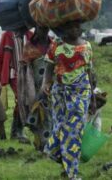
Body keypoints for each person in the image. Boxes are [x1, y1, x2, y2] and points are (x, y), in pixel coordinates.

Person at [42, 20, 93, 180]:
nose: (74, 29)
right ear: (63, 29)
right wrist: (45, 82)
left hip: (81, 91)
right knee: (60, 127)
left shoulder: (87, 46)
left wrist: (93, 97)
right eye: (70, 26)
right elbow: (49, 66)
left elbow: (90, 71)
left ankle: (71, 174)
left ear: (80, 28)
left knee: (74, 131)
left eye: (76, 26)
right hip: (60, 92)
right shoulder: (56, 45)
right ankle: (59, 157)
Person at [19, 26, 53, 151]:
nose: (43, 32)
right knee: (38, 116)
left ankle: (48, 146)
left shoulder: (53, 46)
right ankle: (40, 145)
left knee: (50, 118)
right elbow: (25, 70)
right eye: (40, 29)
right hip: (34, 86)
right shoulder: (29, 47)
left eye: (45, 29)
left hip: (51, 87)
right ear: (36, 32)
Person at [0, 30, 32, 141]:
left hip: (29, 73)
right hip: (14, 73)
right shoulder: (8, 35)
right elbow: (1, 54)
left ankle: (16, 130)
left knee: (28, 101)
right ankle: (17, 131)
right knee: (21, 99)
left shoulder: (30, 35)